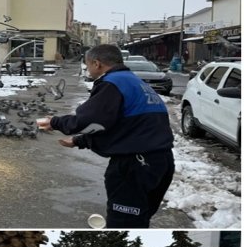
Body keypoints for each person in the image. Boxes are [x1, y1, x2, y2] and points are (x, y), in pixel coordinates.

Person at [36, 44, 174, 228]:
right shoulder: (135, 82)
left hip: (135, 165)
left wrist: (55, 122)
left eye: (87, 65)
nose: (88, 70)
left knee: (123, 224)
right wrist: (79, 141)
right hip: (161, 162)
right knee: (139, 219)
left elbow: (90, 120)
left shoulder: (112, 83)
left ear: (97, 63)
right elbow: (124, 126)